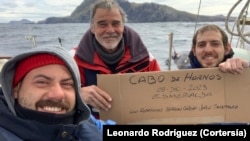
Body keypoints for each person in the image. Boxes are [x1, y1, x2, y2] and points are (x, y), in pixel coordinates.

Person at [73, 0, 161, 119]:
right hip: (91, 129)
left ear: (123, 27)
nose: (110, 30)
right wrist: (77, 95)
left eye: (115, 23)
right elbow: (56, 97)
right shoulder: (73, 60)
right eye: (102, 24)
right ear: (92, 28)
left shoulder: (146, 60)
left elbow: (161, 95)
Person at [0, 46, 103, 141]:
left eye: (67, 84)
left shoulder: (81, 119)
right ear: (15, 90)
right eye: (42, 82)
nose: (58, 94)